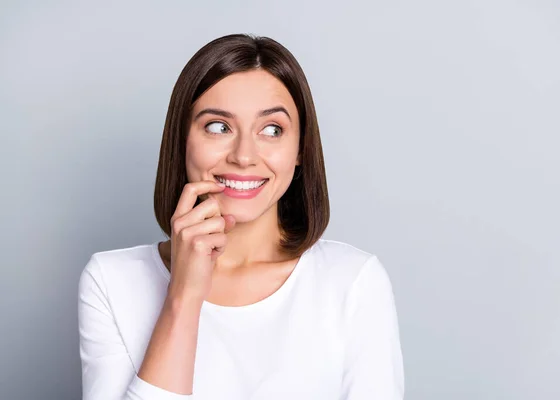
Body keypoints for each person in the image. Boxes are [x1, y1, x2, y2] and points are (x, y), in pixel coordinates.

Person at [78, 33, 404, 400]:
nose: (244, 155)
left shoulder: (353, 282)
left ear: (300, 149)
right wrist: (183, 296)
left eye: (272, 130)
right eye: (218, 127)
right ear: (182, 139)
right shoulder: (111, 281)